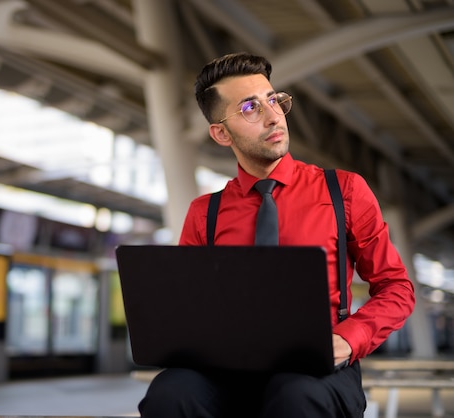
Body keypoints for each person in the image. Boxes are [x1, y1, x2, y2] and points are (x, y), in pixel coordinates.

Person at [137, 52, 416, 418]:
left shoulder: (343, 191)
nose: (273, 117)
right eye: (250, 108)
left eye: (274, 100)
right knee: (168, 393)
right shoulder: (205, 213)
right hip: (229, 369)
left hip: (317, 370)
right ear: (221, 133)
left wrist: (348, 339)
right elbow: (193, 310)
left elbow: (396, 287)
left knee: (294, 396)